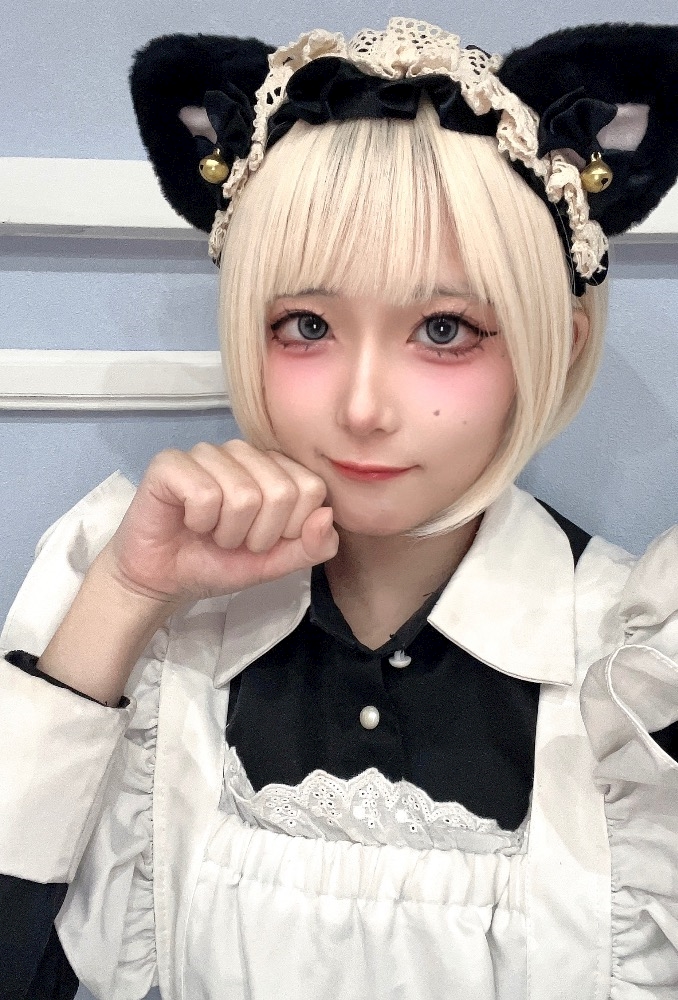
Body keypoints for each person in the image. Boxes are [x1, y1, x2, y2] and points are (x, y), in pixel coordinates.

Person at [1, 16, 677, 1000]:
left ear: (558, 344)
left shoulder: (641, 678)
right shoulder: (147, 633)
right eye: (308, 324)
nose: (363, 407)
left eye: (443, 330)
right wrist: (126, 598)